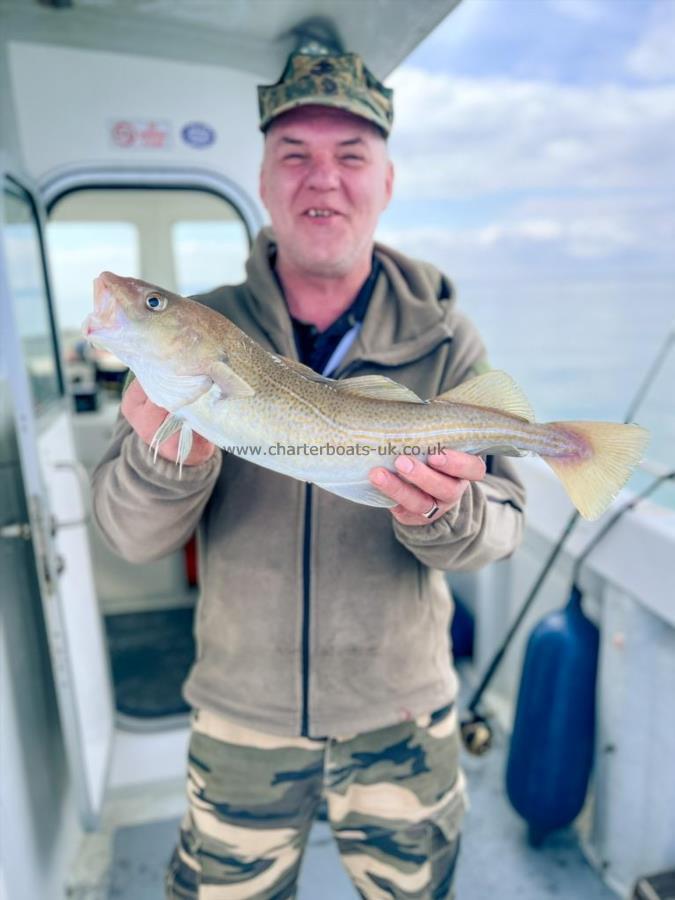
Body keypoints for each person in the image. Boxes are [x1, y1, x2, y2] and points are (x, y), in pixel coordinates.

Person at [92, 46, 525, 900]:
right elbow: (129, 534)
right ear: (262, 178)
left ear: (387, 182)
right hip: (238, 718)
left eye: (350, 156)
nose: (320, 179)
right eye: (294, 154)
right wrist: (164, 461)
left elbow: (501, 524)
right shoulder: (199, 332)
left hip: (403, 711)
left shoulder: (447, 339)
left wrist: (444, 514)